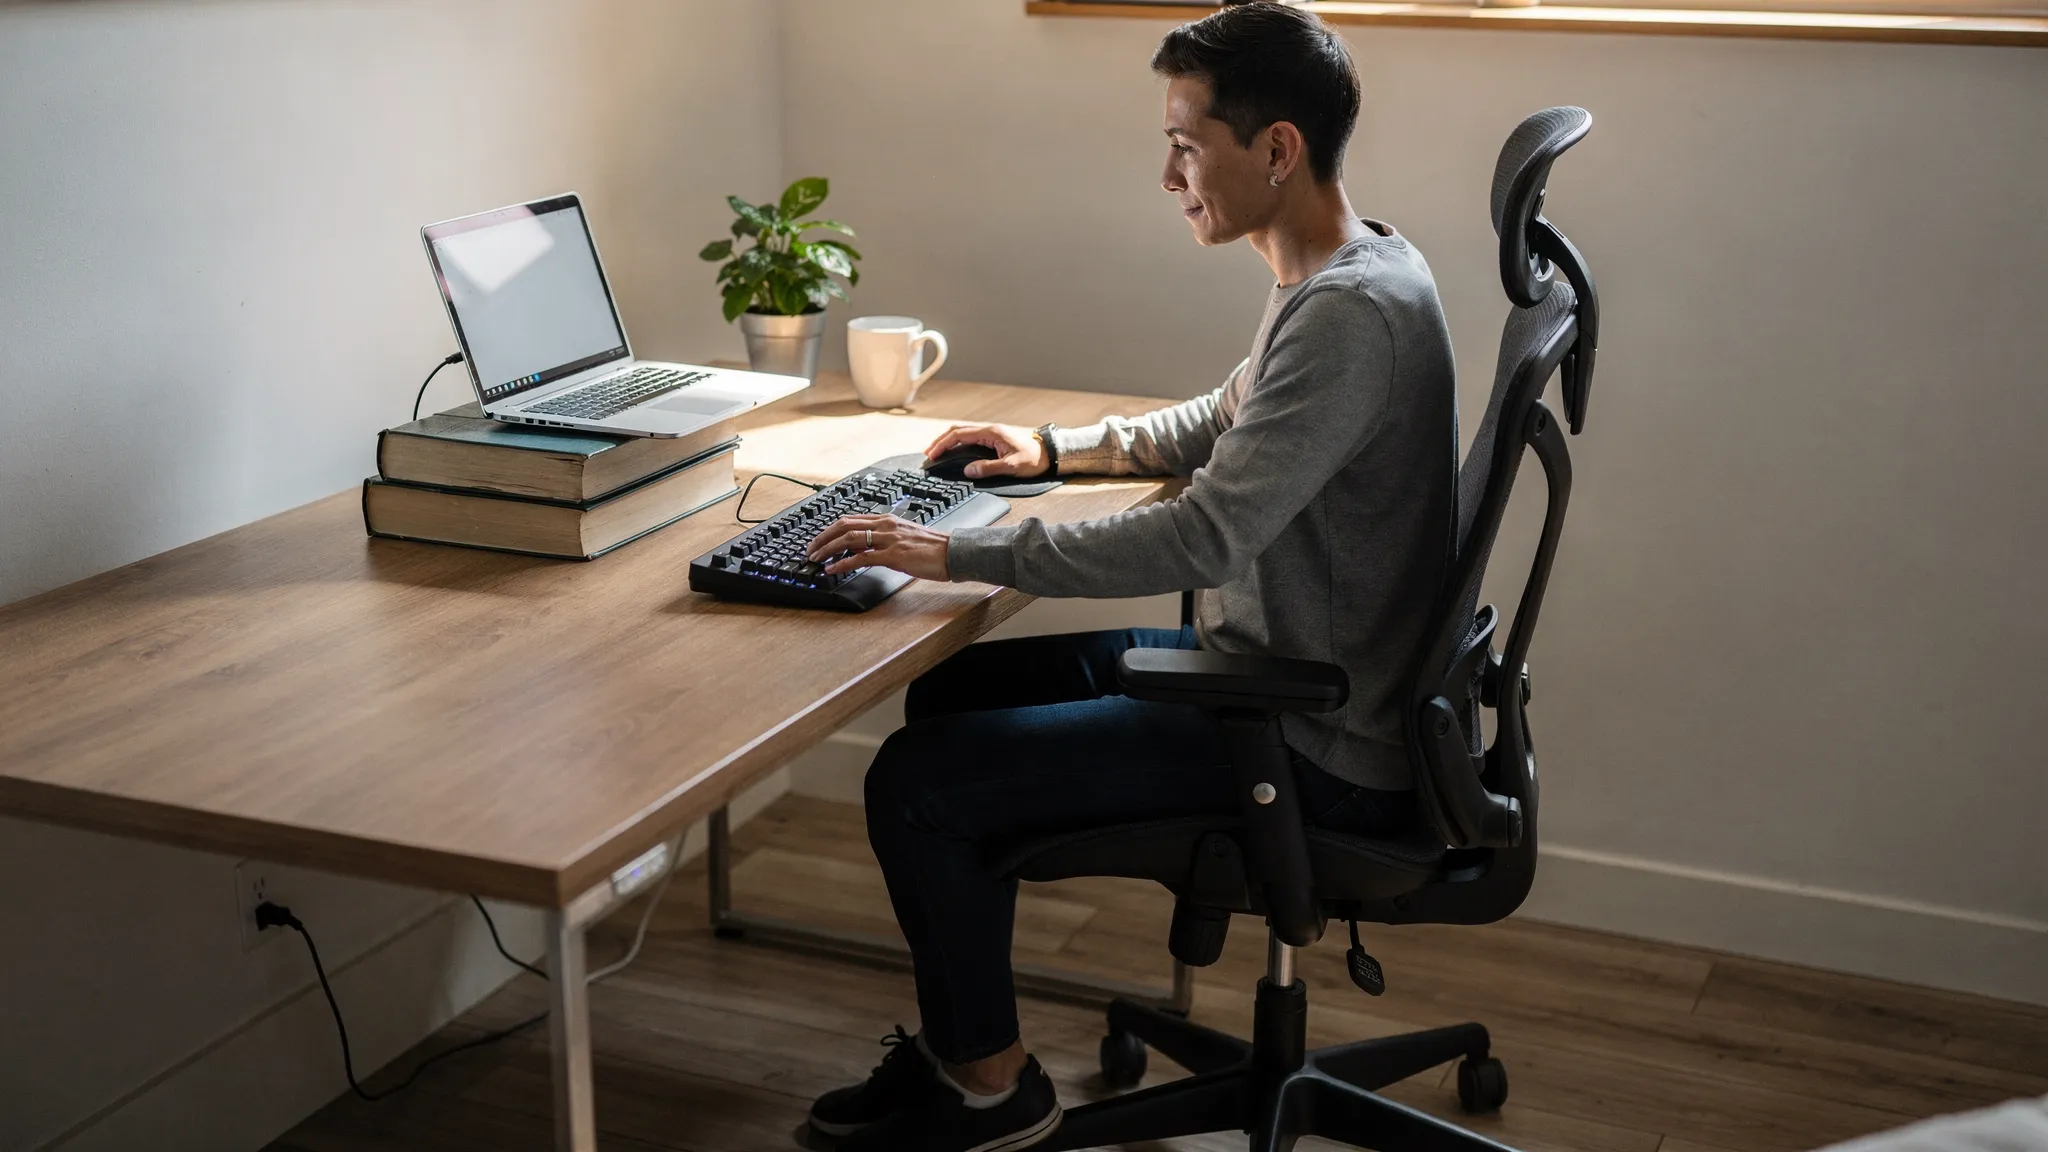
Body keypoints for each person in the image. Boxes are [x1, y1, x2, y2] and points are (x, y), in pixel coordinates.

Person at [799, 4, 1457, 1149]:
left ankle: (991, 1096)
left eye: (1185, 145)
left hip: (1310, 733)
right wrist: (1058, 451)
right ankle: (971, 1053)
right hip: (1282, 675)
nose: (1167, 174)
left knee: (915, 782)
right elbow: (1231, 417)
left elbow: (1202, 539)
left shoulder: (1348, 315)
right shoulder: (1352, 267)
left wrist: (956, 550)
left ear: (1275, 149)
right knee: (953, 700)